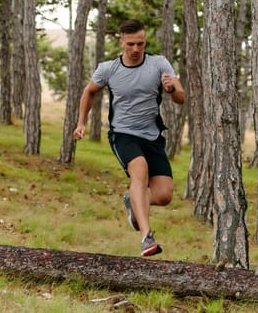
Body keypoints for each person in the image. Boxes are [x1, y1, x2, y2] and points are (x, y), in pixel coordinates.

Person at [73, 19, 185, 257]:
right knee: (139, 170)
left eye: (141, 44)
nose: (136, 49)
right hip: (123, 133)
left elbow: (181, 98)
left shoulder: (158, 64)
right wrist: (81, 122)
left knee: (164, 195)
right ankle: (147, 237)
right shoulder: (108, 69)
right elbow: (89, 91)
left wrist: (171, 89)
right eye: (131, 44)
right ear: (121, 41)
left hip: (152, 135)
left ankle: (132, 200)